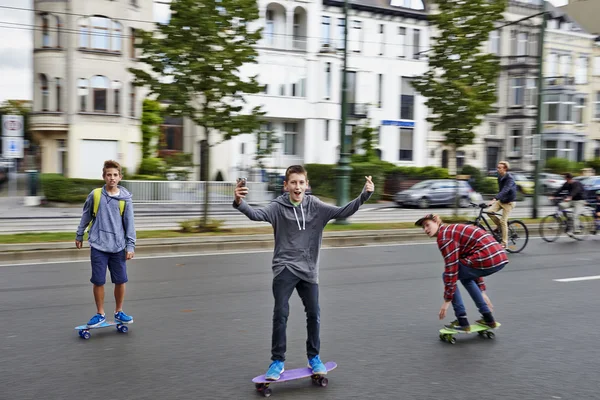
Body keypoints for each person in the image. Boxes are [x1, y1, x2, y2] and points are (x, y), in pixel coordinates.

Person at [234, 165, 374, 381]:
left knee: (314, 314)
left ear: (306, 185)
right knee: (281, 313)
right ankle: (277, 361)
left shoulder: (315, 206)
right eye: (293, 182)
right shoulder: (278, 207)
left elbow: (342, 212)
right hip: (284, 268)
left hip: (308, 269)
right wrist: (239, 202)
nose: (297, 186)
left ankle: (314, 358)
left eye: (301, 182)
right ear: (286, 186)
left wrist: (364, 195)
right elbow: (256, 214)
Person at [415, 214, 508, 331]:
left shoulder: (444, 237)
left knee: (448, 275)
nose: (426, 229)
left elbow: (451, 268)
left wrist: (447, 300)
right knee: (465, 276)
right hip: (499, 257)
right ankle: (488, 318)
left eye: (427, 225)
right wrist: (482, 291)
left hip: (488, 257)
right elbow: (470, 265)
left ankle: (462, 320)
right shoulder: (451, 230)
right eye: (423, 227)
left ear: (437, 222)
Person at [75, 160, 136, 328]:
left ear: (120, 177)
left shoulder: (125, 199)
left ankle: (119, 311)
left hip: (118, 247)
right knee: (98, 281)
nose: (112, 178)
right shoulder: (95, 195)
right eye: (109, 175)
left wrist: (130, 246)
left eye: (115, 175)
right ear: (104, 176)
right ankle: (100, 313)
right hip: (99, 246)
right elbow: (86, 216)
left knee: (120, 280)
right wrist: (79, 235)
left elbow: (130, 225)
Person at [487, 161, 517, 248]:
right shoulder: (499, 177)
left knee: (503, 221)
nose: (498, 169)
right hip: (502, 200)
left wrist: (494, 199)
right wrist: (497, 199)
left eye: (500, 168)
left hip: (509, 202)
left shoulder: (510, 178)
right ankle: (499, 226)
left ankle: (504, 243)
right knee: (489, 212)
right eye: (497, 167)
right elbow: (501, 191)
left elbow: (505, 190)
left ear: (505, 169)